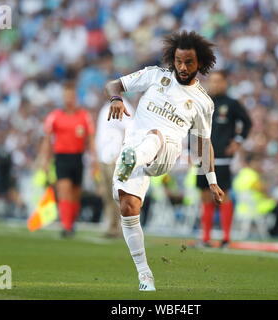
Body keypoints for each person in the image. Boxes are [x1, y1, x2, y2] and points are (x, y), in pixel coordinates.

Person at [105, 30, 224, 291]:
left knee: (156, 135)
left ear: (200, 63)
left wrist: (212, 181)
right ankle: (145, 275)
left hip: (165, 153)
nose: (183, 67)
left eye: (189, 62)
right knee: (128, 207)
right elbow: (114, 85)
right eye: (179, 61)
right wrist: (116, 98)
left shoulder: (203, 102)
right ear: (173, 58)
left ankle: (131, 159)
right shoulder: (155, 76)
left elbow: (203, 143)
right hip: (134, 146)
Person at [196, 70, 252, 248]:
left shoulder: (232, 103)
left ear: (225, 83)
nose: (215, 84)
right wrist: (191, 150)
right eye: (212, 81)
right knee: (205, 196)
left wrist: (238, 141)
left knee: (223, 196)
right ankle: (205, 238)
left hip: (222, 158)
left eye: (219, 81)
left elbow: (247, 122)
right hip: (203, 157)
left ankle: (226, 238)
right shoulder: (202, 102)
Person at [38, 81, 97, 238]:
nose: (68, 100)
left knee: (75, 194)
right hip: (61, 158)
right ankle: (66, 226)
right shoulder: (55, 116)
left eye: (71, 96)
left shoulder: (84, 116)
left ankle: (71, 222)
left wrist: (94, 159)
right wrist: (44, 160)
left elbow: (90, 139)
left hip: (78, 157)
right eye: (66, 97)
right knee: (64, 190)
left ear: (75, 97)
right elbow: (47, 139)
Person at [95, 98, 134, 238]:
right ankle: (111, 225)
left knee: (116, 195)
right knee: (107, 194)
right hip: (103, 158)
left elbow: (129, 130)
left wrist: (120, 154)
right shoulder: (105, 108)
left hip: (115, 158)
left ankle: (119, 227)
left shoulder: (124, 107)